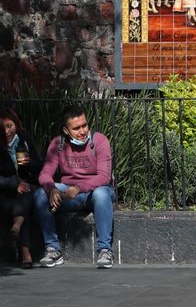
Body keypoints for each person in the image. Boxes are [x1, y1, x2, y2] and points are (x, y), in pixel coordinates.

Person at [34, 105, 115, 269]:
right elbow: (45, 174)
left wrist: (78, 187)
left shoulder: (100, 141)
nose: (82, 131)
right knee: (40, 194)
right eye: (76, 128)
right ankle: (52, 249)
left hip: (94, 192)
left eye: (84, 125)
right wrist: (52, 189)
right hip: (69, 194)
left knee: (101, 194)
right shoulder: (58, 144)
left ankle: (105, 250)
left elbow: (104, 177)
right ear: (66, 130)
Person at [0, 108, 42, 268]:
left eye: (9, 126)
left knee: (25, 195)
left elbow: (40, 166)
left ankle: (17, 227)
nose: (7, 131)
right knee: (22, 204)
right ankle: (25, 253)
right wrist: (14, 185)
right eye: (2, 128)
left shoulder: (25, 141)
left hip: (27, 186)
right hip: (7, 191)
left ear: (16, 124)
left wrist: (29, 163)